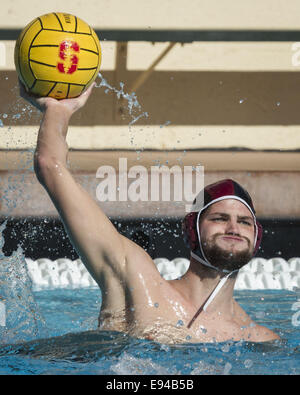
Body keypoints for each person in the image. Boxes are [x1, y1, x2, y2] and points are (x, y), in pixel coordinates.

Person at [19, 82, 279, 344]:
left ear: (257, 237)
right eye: (219, 218)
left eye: (244, 222)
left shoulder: (261, 340)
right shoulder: (136, 282)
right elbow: (50, 167)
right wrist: (58, 109)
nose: (233, 228)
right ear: (192, 229)